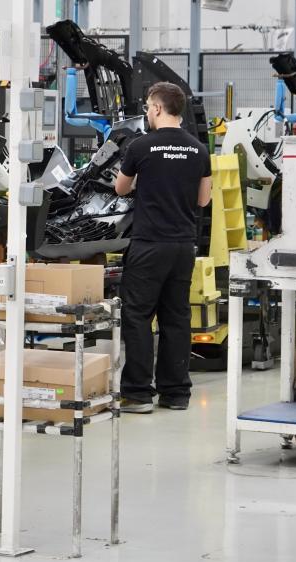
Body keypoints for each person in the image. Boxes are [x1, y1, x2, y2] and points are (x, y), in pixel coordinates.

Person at [114, 82, 212, 414]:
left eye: (147, 108)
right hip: (183, 245)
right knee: (176, 317)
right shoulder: (199, 149)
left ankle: (139, 394)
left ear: (156, 108)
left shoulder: (141, 146)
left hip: (149, 244)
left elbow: (120, 188)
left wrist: (144, 181)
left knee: (138, 316)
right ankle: (176, 393)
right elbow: (203, 199)